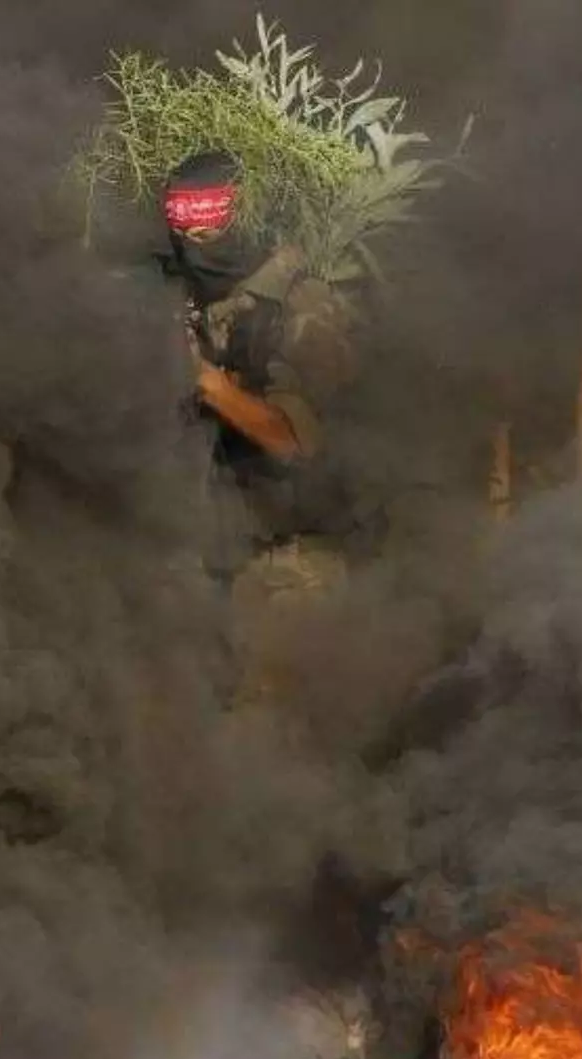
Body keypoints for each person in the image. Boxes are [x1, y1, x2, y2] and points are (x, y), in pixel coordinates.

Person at [160, 151, 364, 701]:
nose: (196, 239)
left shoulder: (304, 307)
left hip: (287, 569)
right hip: (206, 565)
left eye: (210, 223)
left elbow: (295, 439)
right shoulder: (186, 297)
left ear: (245, 215)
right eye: (184, 226)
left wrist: (206, 382)